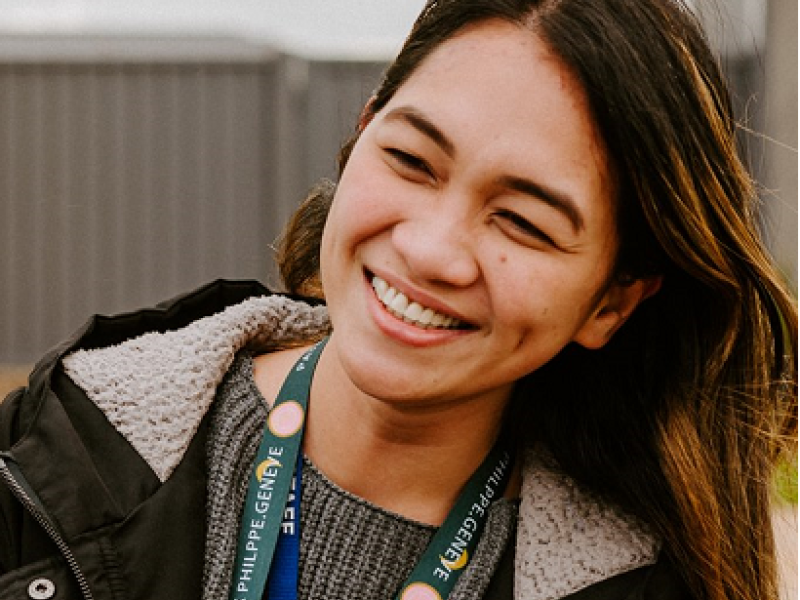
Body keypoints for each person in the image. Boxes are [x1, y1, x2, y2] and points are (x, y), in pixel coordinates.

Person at [0, 0, 795, 599]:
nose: (429, 249)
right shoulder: (61, 452)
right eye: (413, 160)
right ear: (360, 135)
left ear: (611, 303)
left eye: (520, 221)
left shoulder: (653, 580)